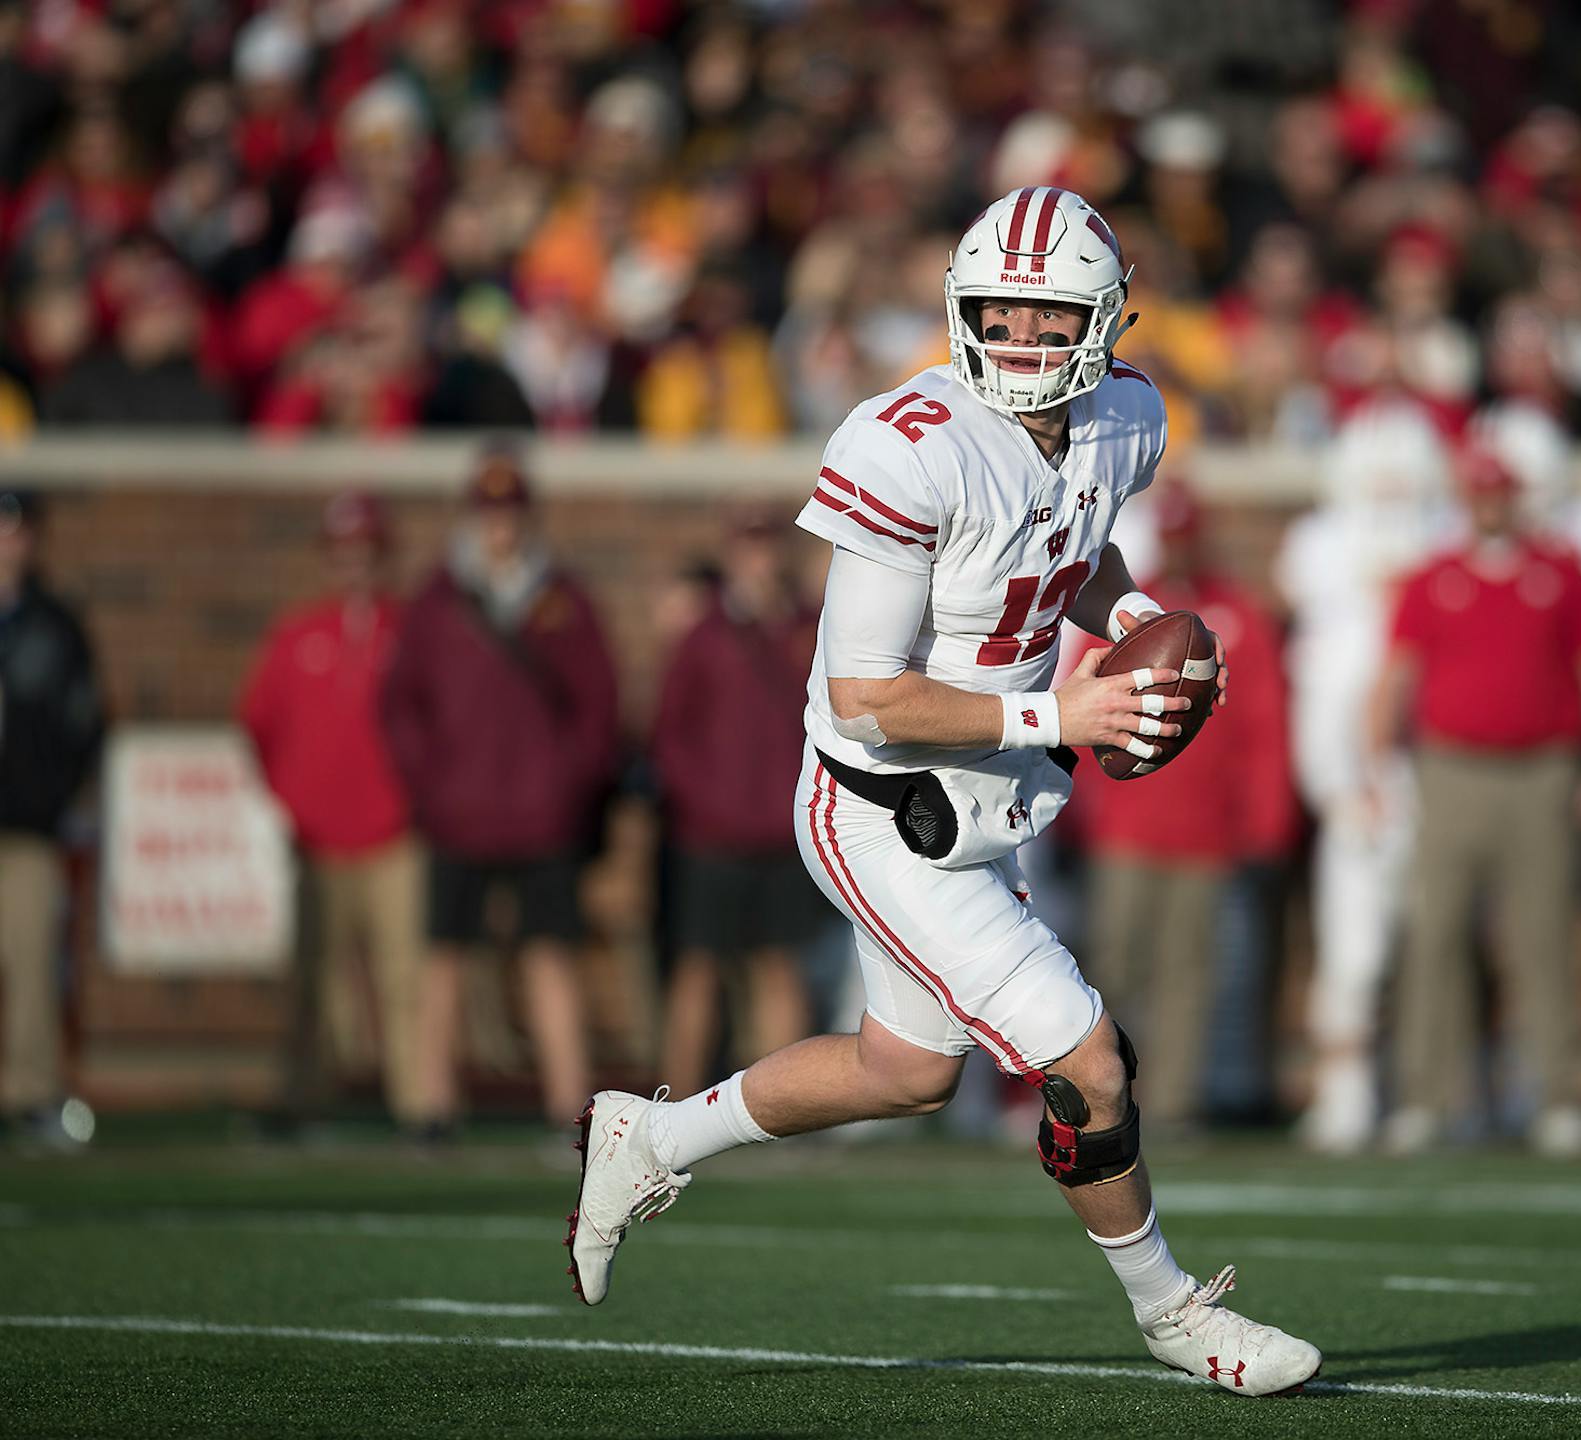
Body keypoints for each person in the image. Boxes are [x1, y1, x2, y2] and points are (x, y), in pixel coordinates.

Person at [566, 186, 1321, 1396]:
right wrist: (1063, 710)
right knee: (1090, 1060)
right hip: (879, 804)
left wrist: (1128, 619)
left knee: (904, 1072)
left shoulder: (1126, 417)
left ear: (1106, 323)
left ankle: (646, 1136)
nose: (1021, 344)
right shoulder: (907, 442)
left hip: (989, 792)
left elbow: (1067, 555)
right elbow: (868, 694)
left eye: (1048, 318)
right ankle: (1174, 1312)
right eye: (1000, 316)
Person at [1368, 444, 1581, 1157]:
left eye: (1497, 492)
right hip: (1452, 769)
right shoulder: (1435, 577)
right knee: (1438, 935)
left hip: (1543, 771)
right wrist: (1376, 760)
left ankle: (1557, 1094)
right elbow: (1397, 672)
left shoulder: (1561, 574)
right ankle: (1429, 1095)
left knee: (1544, 938)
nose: (1488, 505)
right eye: (1477, 493)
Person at [381, 447, 619, 1132]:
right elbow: (402, 706)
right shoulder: (436, 602)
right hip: (458, 814)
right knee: (443, 962)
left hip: (542, 816)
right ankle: (432, 1108)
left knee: (551, 960)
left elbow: (598, 706)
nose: (500, 529)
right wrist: (430, 785)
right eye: (488, 515)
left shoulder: (562, 600)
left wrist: (568, 781)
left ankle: (565, 1110)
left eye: (511, 514)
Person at [1068, 482, 1297, 1135]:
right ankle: (1095, 1100)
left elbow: (1264, 726)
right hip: (1128, 828)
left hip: (1206, 832)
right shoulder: (1129, 617)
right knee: (1112, 967)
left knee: (1188, 975)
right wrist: (1082, 809)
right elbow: (1082, 709)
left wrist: (1265, 820)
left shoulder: (1240, 614)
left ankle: (1172, 1103)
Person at [1276, 401, 1455, 1152]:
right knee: (1352, 948)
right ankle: (1346, 1091)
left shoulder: (1446, 539)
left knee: (1434, 944)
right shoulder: (1320, 545)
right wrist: (1336, 783)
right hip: (1353, 767)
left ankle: (1428, 1092)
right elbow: (1321, 687)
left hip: (1432, 768)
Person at [239, 491, 424, 1127]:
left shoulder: (411, 632)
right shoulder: (298, 634)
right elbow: (259, 723)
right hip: (317, 842)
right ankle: (303, 1098)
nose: (356, 567)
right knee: (312, 980)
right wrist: (293, 801)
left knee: (405, 981)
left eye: (368, 553)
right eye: (344, 554)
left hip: (396, 838)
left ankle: (419, 1107)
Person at [650, 515, 823, 1094]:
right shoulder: (706, 635)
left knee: (779, 969)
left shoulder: (809, 626)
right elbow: (671, 730)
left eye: (768, 546)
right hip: (710, 832)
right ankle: (672, 1101)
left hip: (782, 827)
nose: (761, 562)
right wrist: (701, 801)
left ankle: (783, 1106)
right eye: (749, 547)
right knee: (698, 970)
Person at [0, 488, 103, 1142]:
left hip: (26, 828)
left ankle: (32, 1093)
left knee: (33, 964)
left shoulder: (55, 624)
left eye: (14, 531)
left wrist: (48, 796)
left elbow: (84, 723)